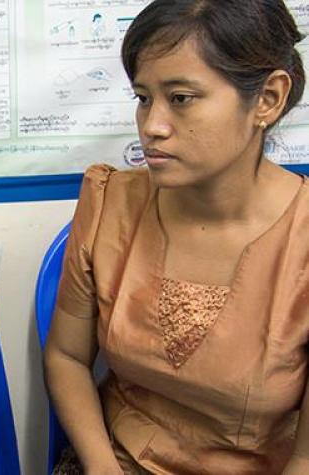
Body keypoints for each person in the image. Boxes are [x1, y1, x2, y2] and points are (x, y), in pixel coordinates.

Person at [44, 1, 309, 473]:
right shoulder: (109, 205)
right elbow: (66, 355)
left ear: (267, 98)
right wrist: (102, 467)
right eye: (143, 98)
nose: (152, 127)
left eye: (181, 98)